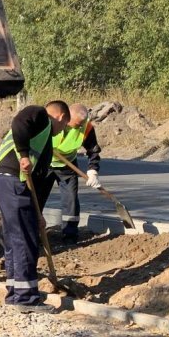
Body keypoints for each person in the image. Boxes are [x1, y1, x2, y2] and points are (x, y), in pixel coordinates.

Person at [0, 100, 69, 313]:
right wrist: (24, 155)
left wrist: (38, 214)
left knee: (15, 237)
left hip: (8, 183)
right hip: (12, 180)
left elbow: (40, 184)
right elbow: (19, 122)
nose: (61, 132)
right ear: (61, 117)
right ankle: (26, 299)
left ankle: (15, 292)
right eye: (65, 127)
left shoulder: (44, 143)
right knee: (24, 240)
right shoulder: (40, 116)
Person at [35, 103, 102, 244]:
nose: (78, 127)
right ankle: (34, 232)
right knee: (37, 198)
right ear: (66, 118)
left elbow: (93, 150)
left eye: (80, 125)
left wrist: (93, 170)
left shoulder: (86, 127)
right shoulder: (50, 121)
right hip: (45, 164)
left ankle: (70, 235)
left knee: (70, 200)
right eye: (75, 124)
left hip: (67, 167)